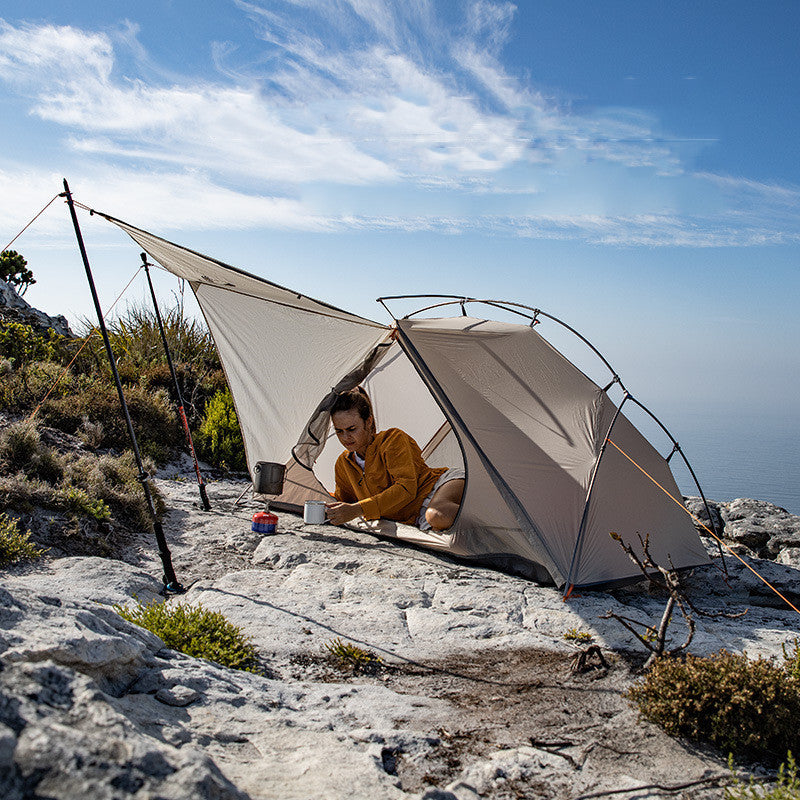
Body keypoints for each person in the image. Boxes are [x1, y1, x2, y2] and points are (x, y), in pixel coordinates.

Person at [325, 387, 465, 531]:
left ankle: (487, 513)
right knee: (435, 521)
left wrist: (358, 509)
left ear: (368, 422)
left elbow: (406, 488)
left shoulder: (392, 439)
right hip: (416, 515)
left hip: (437, 486)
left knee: (437, 516)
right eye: (339, 431)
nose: (345, 438)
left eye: (352, 429)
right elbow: (344, 502)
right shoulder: (343, 463)